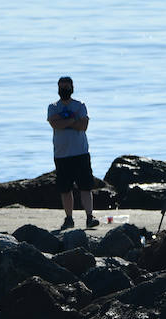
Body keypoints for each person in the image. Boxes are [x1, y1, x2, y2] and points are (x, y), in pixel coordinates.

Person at [46, 76, 99, 230]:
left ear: (72, 88)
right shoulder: (53, 107)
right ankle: (69, 218)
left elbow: (83, 125)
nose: (64, 90)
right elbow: (54, 123)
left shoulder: (80, 105)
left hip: (80, 152)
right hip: (61, 154)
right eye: (61, 87)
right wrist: (72, 120)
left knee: (85, 186)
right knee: (65, 188)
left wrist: (64, 121)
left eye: (66, 87)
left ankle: (89, 216)